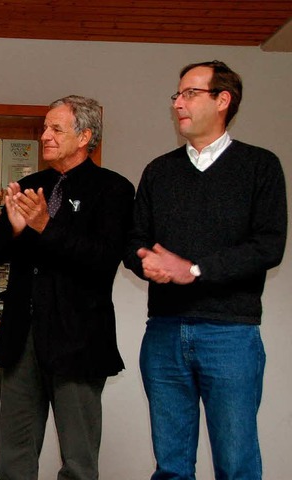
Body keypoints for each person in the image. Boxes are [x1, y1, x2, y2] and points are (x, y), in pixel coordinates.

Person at [124, 60, 287, 479]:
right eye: (176, 95)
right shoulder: (159, 171)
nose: (178, 103)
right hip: (162, 333)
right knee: (172, 466)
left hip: (230, 334)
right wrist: (148, 263)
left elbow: (268, 246)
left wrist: (194, 269)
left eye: (190, 93)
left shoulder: (260, 166)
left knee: (235, 465)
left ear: (223, 100)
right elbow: (134, 241)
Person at [0, 95, 135, 480]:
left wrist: (45, 227)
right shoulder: (31, 186)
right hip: (22, 337)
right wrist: (15, 228)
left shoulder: (113, 189)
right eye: (44, 127)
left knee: (79, 460)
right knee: (14, 456)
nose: (44, 135)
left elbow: (102, 257)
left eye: (55, 129)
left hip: (79, 338)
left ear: (84, 136)